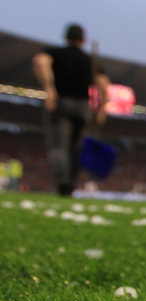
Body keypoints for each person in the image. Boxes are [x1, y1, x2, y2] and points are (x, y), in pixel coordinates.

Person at [32, 23, 109, 196]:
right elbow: (104, 86)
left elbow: (40, 61)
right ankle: (71, 184)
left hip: (62, 104)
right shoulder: (90, 60)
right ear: (83, 40)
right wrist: (102, 109)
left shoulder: (56, 53)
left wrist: (49, 88)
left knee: (59, 146)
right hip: (83, 108)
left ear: (66, 37)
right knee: (76, 148)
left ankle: (63, 183)